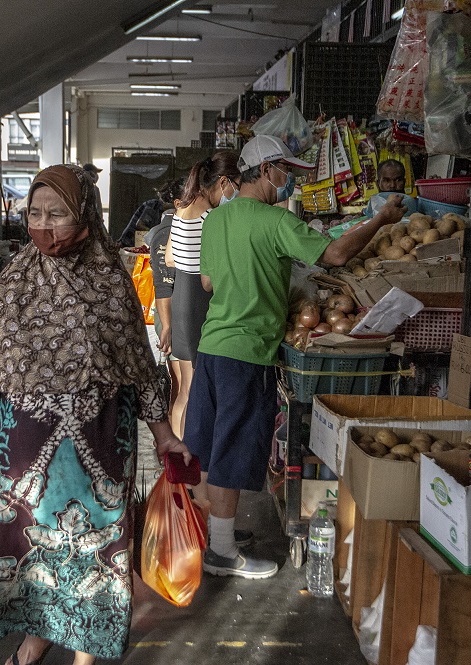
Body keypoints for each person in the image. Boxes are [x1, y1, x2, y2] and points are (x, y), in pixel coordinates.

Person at [0, 164, 190, 665]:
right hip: (25, 453)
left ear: (85, 215)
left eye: (57, 214)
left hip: (100, 447)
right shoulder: (15, 281)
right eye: (35, 214)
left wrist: (164, 434)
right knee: (29, 554)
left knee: (95, 554)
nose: (44, 225)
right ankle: (35, 641)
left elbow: (140, 366)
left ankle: (85, 650)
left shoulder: (111, 280)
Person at [187, 135, 406, 580]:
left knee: (212, 447)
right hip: (247, 352)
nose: (291, 182)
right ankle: (222, 554)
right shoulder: (273, 222)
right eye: (287, 172)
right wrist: (381, 219)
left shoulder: (215, 219)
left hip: (212, 347)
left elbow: (208, 283)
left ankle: (217, 535)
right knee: (231, 451)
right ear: (267, 171)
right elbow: (337, 254)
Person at [164, 151, 241, 442]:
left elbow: (170, 258)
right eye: (236, 184)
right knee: (198, 392)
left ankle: (178, 460)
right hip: (198, 299)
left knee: (185, 389)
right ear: (223, 182)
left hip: (182, 295)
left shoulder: (183, 207)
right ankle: (191, 458)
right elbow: (210, 280)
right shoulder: (211, 216)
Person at [143, 179, 184, 425]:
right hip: (172, 315)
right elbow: (163, 285)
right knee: (179, 388)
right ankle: (177, 454)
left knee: (181, 389)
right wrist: (167, 327)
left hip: (176, 315)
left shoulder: (163, 231)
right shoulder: (165, 234)